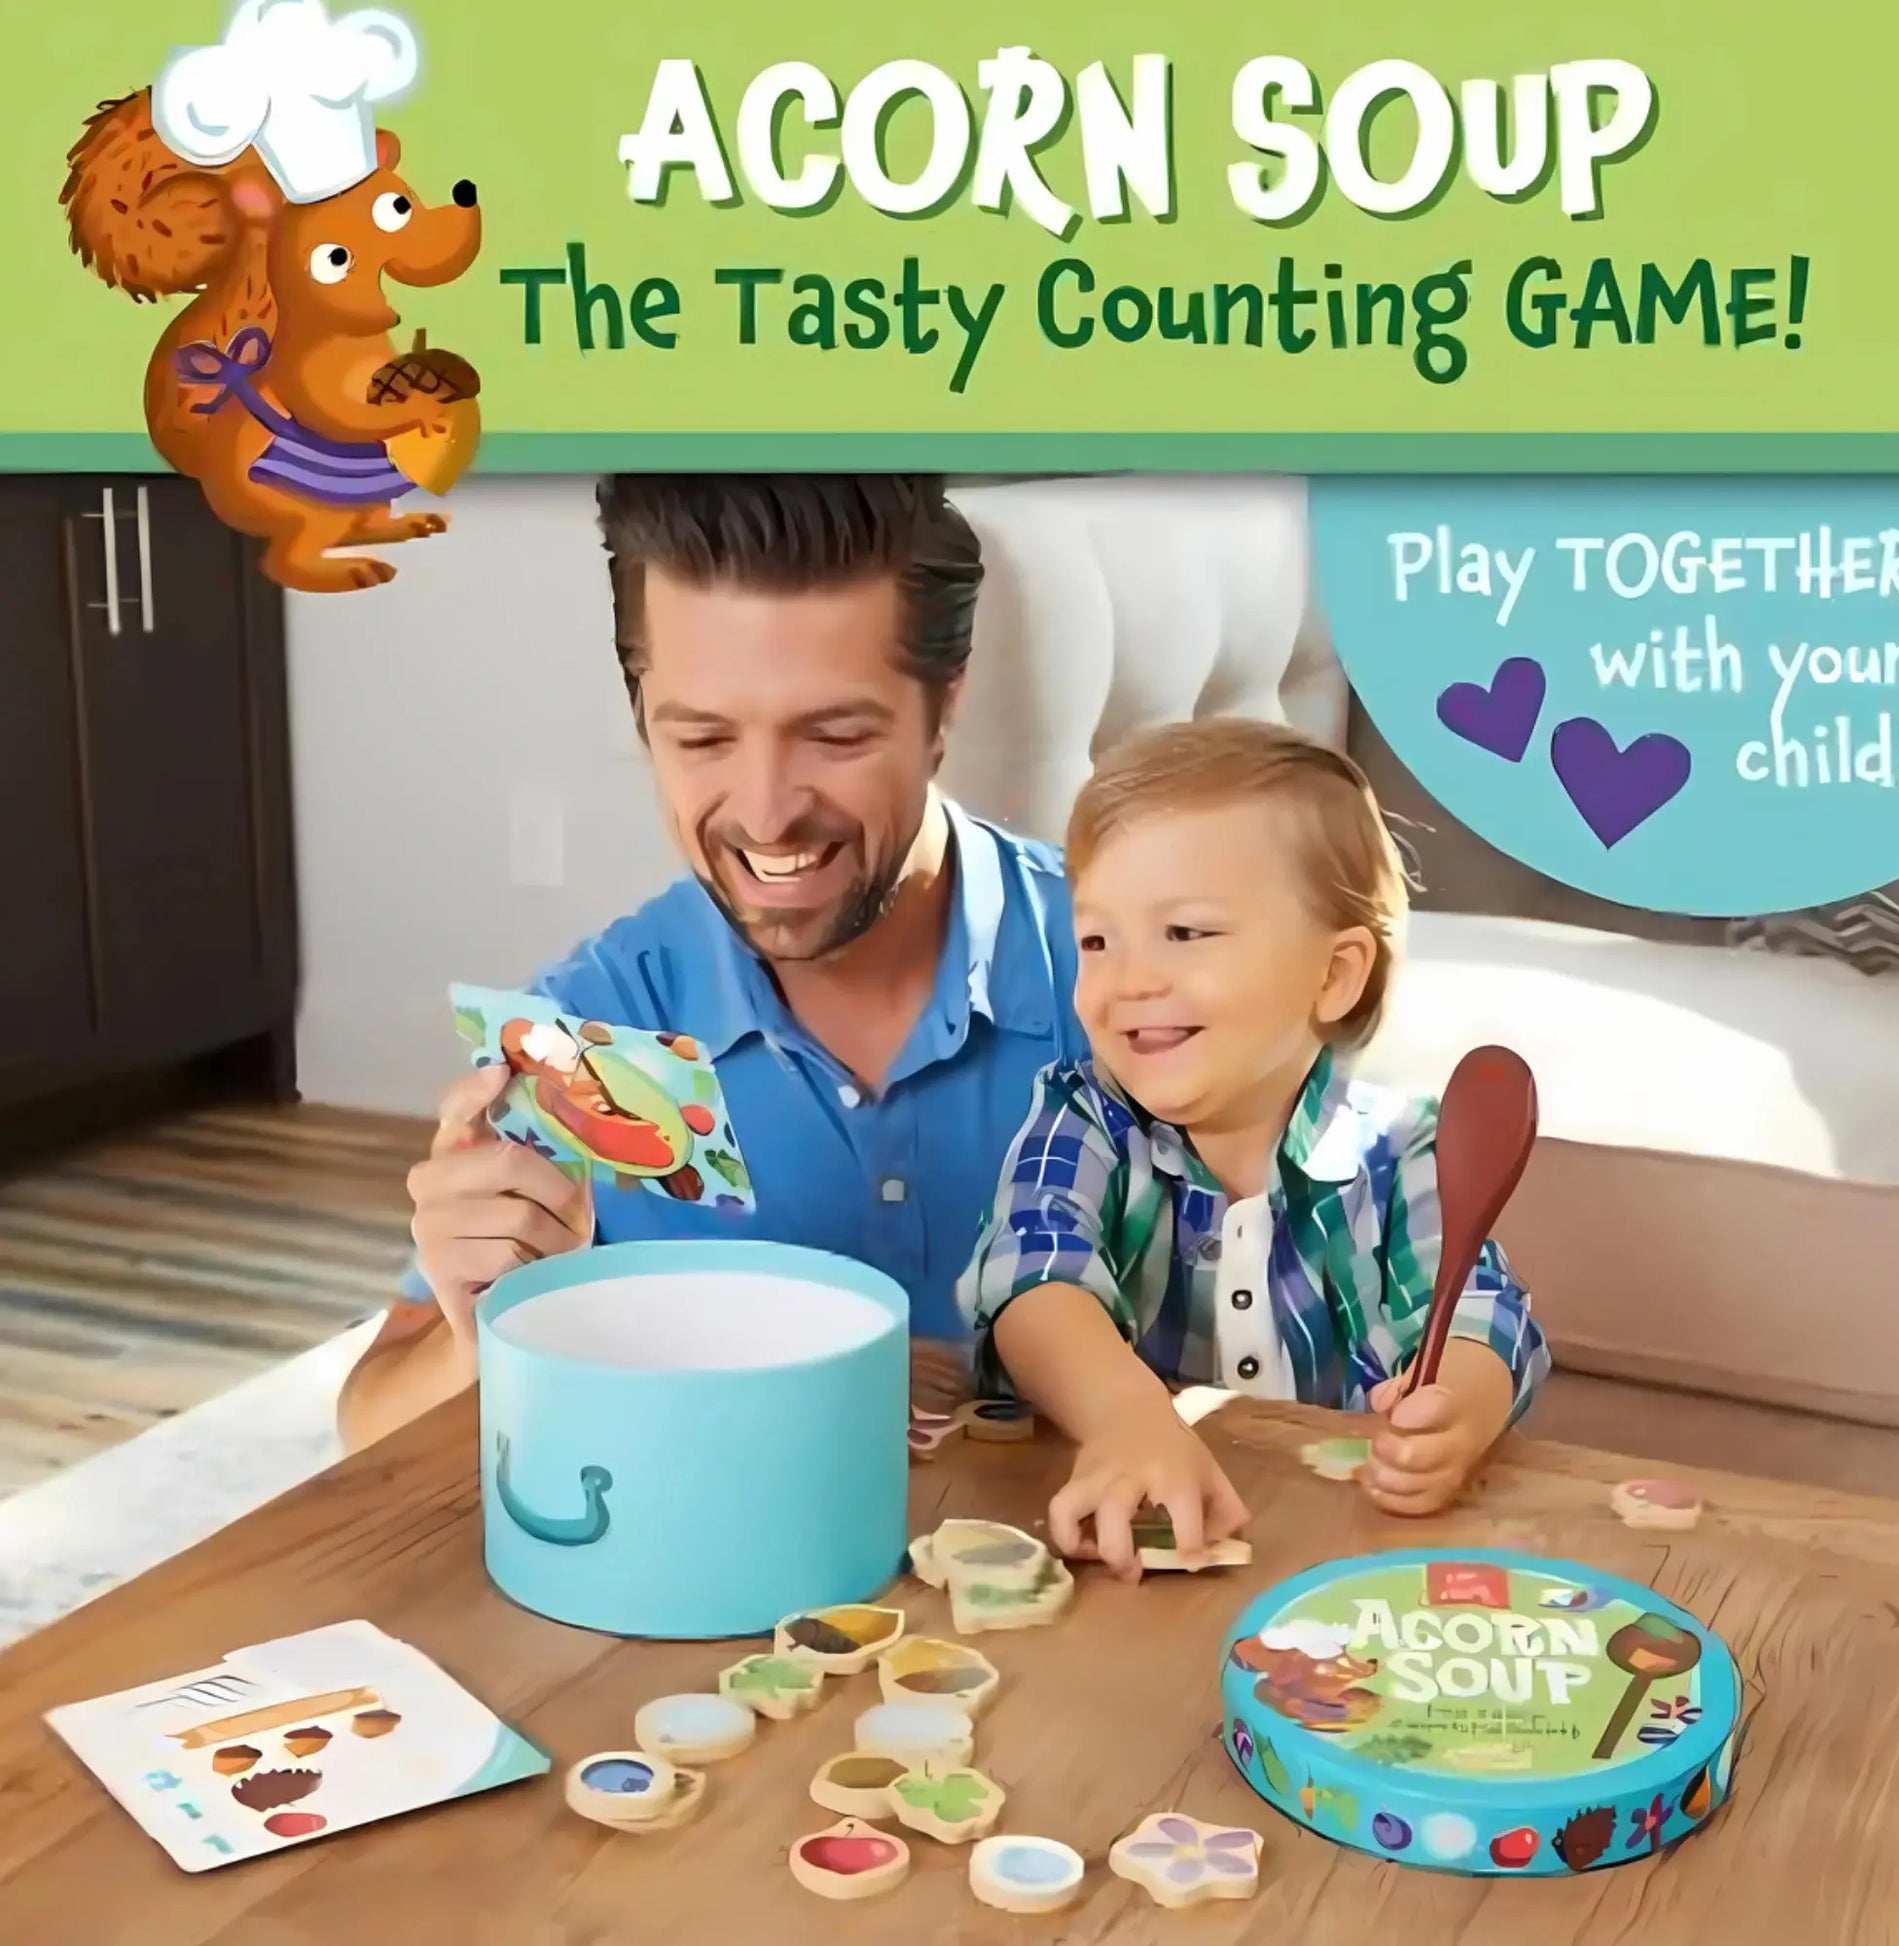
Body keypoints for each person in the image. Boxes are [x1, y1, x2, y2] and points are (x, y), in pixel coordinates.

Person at [338, 475, 1084, 1453]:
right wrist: (478, 1327)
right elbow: (369, 1425)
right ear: (641, 718)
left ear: (942, 709)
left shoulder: (1131, 973)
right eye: (702, 737)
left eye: (835, 735)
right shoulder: (584, 1035)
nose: (767, 813)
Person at [960, 718, 1549, 1579]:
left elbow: (1480, 1311)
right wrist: (1128, 1420)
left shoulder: (1404, 1150)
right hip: (1129, 1554)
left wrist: (1457, 1411)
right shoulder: (1083, 1117)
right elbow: (1033, 1278)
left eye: (1185, 933)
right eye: (1096, 941)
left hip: (1344, 1562)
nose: (1130, 980)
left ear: (1333, 975)